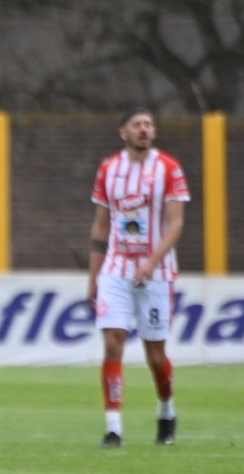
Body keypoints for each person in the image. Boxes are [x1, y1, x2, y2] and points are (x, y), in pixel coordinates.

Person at [87, 107, 190, 449]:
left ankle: (166, 410)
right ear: (123, 132)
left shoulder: (169, 168)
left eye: (148, 124)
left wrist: (152, 261)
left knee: (155, 355)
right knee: (113, 341)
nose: (144, 129)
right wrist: (93, 276)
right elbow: (100, 226)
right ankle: (113, 428)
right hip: (116, 269)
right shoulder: (109, 168)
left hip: (156, 273)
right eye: (137, 125)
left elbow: (176, 224)